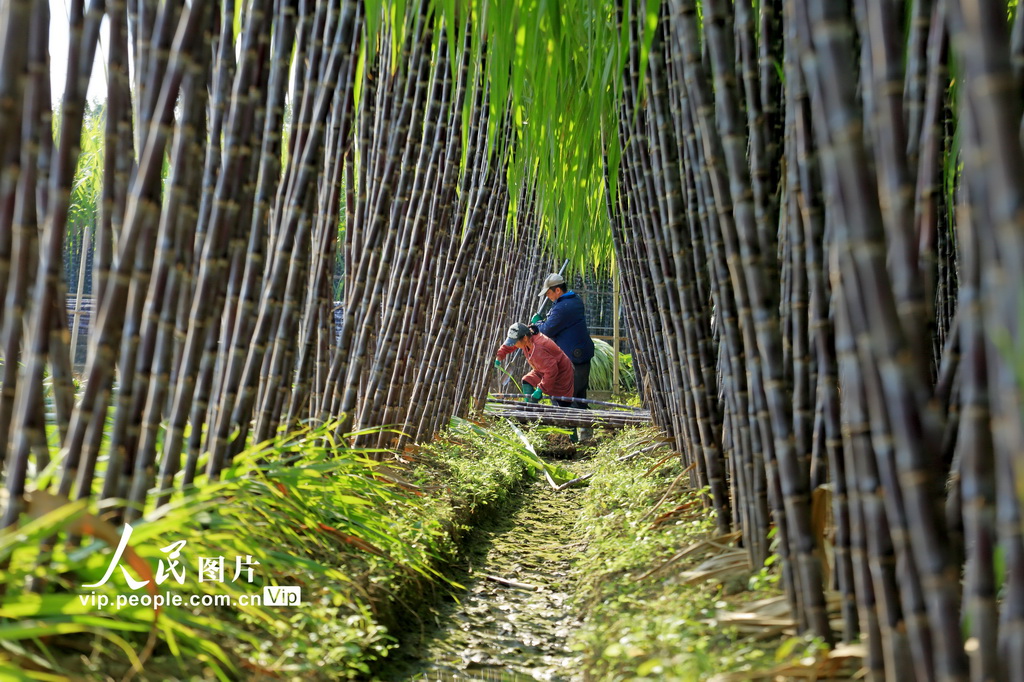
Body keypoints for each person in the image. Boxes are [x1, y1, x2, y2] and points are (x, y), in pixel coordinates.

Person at [531, 273, 595, 439]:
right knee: (579, 397)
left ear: (557, 290)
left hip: (571, 360)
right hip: (579, 356)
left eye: (549, 293)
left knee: (565, 398)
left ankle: (569, 438)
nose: (548, 296)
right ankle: (585, 435)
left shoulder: (563, 307)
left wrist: (537, 324)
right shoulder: (573, 301)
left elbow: (547, 330)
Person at [494, 322, 575, 407]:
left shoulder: (539, 348)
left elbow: (552, 371)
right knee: (527, 380)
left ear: (524, 338)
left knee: (562, 402)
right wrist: (499, 356)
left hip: (561, 374)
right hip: (542, 370)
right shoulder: (527, 338)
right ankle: (530, 409)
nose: (514, 344)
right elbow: (510, 345)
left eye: (515, 342)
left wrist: (540, 389)